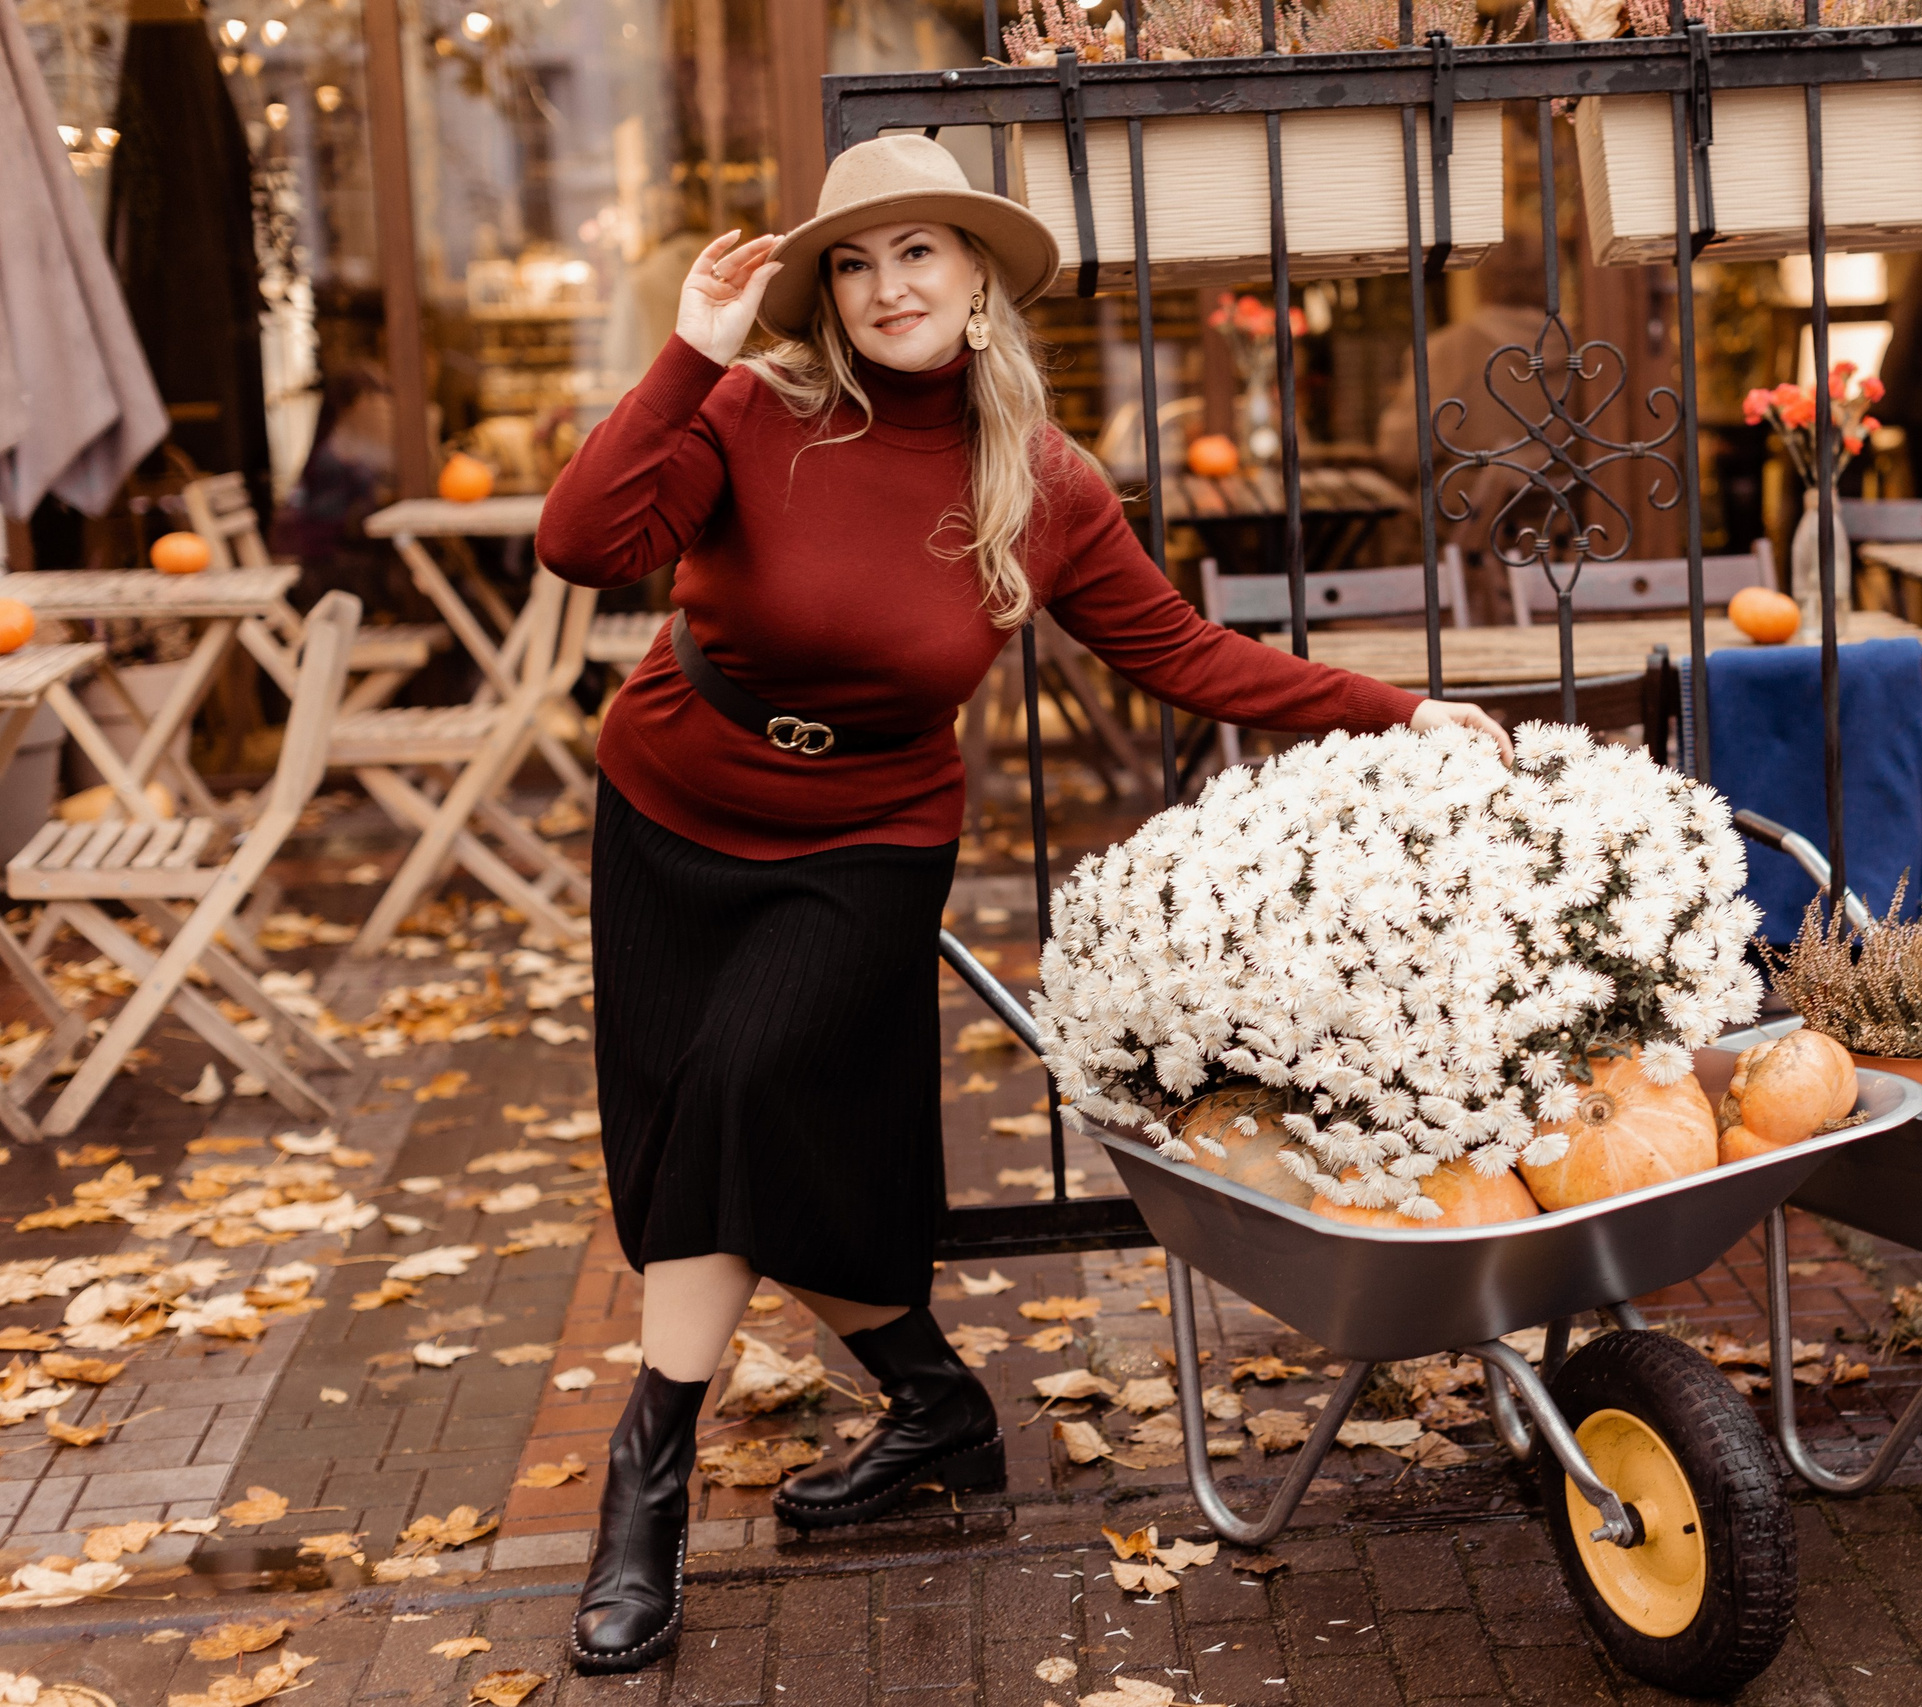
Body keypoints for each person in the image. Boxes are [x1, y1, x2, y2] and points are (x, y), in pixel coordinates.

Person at [534, 133, 1510, 1676]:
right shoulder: (750, 409)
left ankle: (640, 1495)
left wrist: (1396, 710)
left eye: (918, 251)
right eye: (854, 263)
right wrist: (686, 357)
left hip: (868, 835)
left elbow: (1184, 654)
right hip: (672, 810)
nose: (886, 287)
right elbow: (579, 543)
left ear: (979, 278)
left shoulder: (1041, 482)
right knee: (698, 1153)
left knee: (736, 1091)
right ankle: (936, 1406)